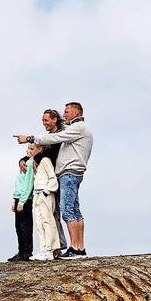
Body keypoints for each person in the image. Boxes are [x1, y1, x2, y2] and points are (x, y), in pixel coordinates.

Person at [14, 101, 93, 259]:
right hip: (71, 172)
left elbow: (56, 138)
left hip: (69, 173)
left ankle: (75, 248)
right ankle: (79, 247)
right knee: (74, 211)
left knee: (67, 211)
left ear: (76, 113)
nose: (64, 114)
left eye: (67, 112)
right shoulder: (75, 128)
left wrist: (29, 138)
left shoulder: (76, 128)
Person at [37, 109, 70, 255]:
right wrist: (24, 160)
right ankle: (56, 246)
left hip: (59, 175)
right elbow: (38, 153)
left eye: (46, 120)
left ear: (54, 119)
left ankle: (59, 246)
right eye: (43, 121)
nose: (44, 123)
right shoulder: (51, 136)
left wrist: (38, 157)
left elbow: (49, 154)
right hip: (53, 174)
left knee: (63, 211)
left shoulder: (61, 134)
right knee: (53, 212)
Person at [28, 142, 59, 260]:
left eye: (32, 148)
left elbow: (52, 177)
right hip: (37, 194)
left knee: (47, 221)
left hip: (44, 193)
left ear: (40, 149)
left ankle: (49, 250)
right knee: (39, 223)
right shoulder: (36, 162)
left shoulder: (45, 160)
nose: (30, 151)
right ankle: (43, 249)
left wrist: (47, 191)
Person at [8, 153, 33, 262]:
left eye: (31, 149)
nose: (28, 151)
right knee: (18, 226)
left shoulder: (30, 164)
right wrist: (15, 199)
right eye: (28, 148)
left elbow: (28, 184)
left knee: (25, 226)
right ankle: (21, 251)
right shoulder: (24, 162)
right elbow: (19, 183)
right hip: (19, 197)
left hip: (25, 198)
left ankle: (27, 252)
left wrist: (22, 201)